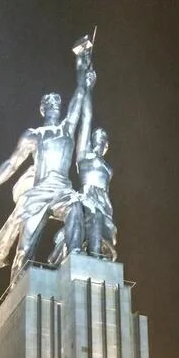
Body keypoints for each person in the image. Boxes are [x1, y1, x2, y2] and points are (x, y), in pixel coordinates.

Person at [0, 43, 95, 282]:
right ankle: (17, 285)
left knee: (75, 209)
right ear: (42, 109)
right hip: (38, 192)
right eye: (49, 103)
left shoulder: (66, 129)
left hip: (62, 190)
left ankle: (75, 257)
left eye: (56, 104)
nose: (54, 106)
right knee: (24, 250)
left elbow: (80, 94)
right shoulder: (33, 135)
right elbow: (11, 163)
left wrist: (84, 59)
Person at [48, 71, 117, 264]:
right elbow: (86, 117)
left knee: (100, 231)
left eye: (105, 140)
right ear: (93, 140)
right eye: (98, 138)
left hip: (105, 203)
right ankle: (86, 261)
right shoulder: (84, 157)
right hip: (88, 197)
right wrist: (88, 88)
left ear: (107, 145)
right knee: (91, 221)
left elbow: (107, 191)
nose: (101, 142)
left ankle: (96, 264)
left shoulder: (108, 168)